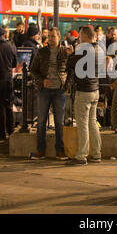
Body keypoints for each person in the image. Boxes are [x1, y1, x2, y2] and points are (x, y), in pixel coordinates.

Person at [65, 26, 104, 166]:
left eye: (80, 36)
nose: (79, 39)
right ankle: (97, 153)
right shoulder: (99, 49)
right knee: (92, 122)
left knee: (82, 124)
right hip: (95, 90)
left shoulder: (84, 49)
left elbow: (70, 64)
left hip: (84, 91)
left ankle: (81, 155)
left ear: (86, 36)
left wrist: (71, 54)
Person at [30, 27, 69, 160]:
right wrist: (42, 81)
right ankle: (40, 150)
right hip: (44, 91)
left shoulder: (65, 52)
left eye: (53, 36)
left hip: (59, 90)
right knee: (41, 122)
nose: (51, 39)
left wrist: (66, 85)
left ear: (59, 37)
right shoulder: (42, 52)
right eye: (50, 36)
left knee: (59, 122)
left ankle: (60, 150)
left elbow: (72, 69)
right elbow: (33, 70)